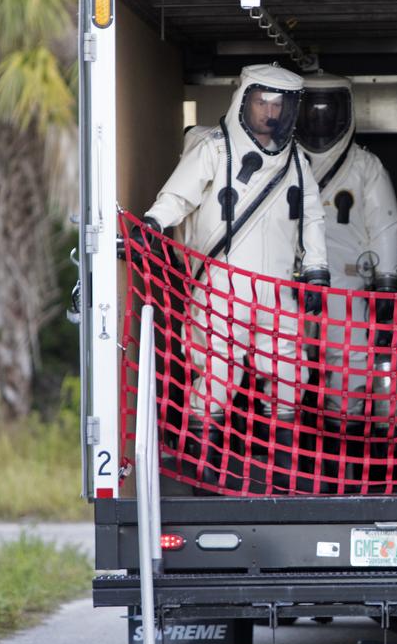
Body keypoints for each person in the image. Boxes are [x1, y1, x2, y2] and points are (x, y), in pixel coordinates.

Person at [141, 63, 329, 490]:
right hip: (222, 285)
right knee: (218, 375)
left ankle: (283, 471)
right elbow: (179, 193)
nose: (271, 113)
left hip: (280, 288)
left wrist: (317, 268)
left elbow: (313, 218)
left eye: (280, 105)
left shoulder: (297, 161)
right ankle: (203, 471)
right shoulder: (215, 150)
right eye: (262, 102)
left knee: (288, 374)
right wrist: (153, 223)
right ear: (244, 100)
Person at [296, 72, 397, 420]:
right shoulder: (285, 160)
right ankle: (286, 426)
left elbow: (385, 224)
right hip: (289, 278)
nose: (320, 118)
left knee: (351, 357)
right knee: (284, 356)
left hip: (346, 279)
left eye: (328, 110)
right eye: (312, 109)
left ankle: (344, 427)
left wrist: (386, 280)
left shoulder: (364, 165)